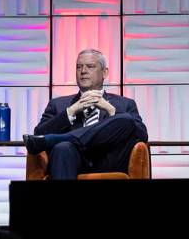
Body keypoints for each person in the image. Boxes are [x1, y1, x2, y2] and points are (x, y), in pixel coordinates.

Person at [23, 49, 148, 179]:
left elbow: (142, 135)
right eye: (79, 67)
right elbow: (39, 136)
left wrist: (110, 109)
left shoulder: (125, 104)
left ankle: (57, 138)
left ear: (104, 72)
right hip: (71, 160)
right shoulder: (58, 105)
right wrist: (70, 112)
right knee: (62, 147)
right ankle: (62, 141)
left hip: (109, 161)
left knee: (126, 119)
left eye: (90, 66)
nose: (83, 71)